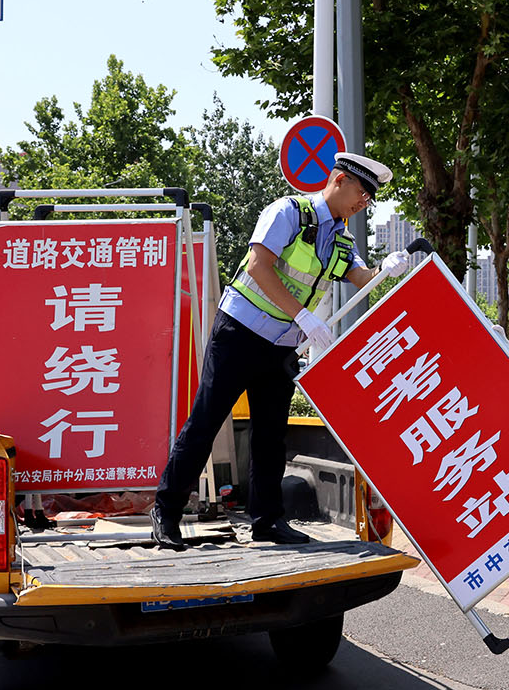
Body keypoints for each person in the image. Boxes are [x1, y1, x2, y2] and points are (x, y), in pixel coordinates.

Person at [151, 153, 432, 549]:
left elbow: (359, 277)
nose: (363, 203)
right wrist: (303, 316)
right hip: (240, 332)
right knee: (206, 421)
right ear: (338, 180)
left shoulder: (342, 239)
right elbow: (258, 266)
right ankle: (166, 511)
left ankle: (267, 521)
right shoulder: (288, 212)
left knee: (271, 436)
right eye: (361, 193)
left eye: (369, 199)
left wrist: (385, 269)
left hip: (282, 345)